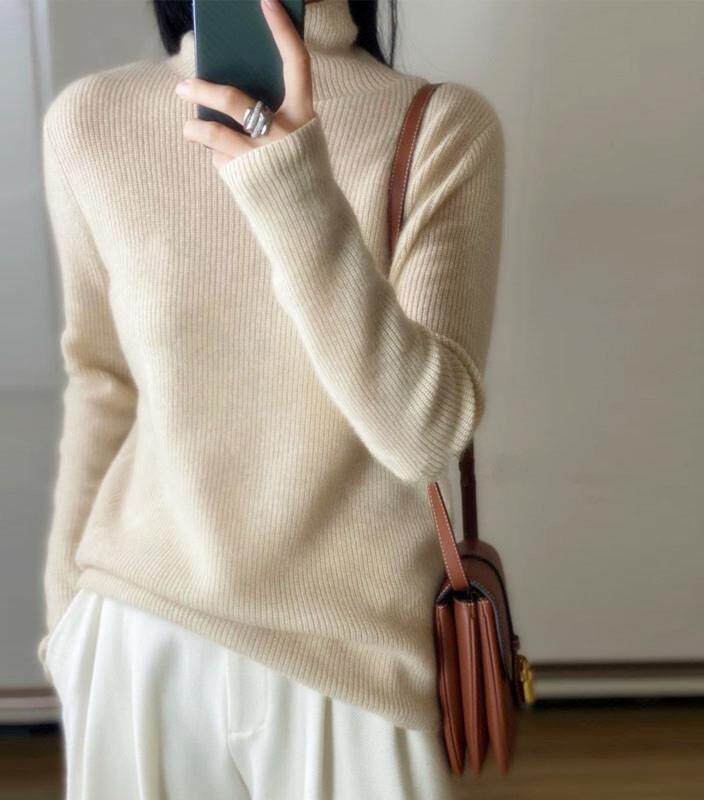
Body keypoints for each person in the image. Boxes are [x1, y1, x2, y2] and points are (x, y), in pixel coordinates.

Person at [39, 0, 504, 796]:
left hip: (355, 667)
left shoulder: (440, 127)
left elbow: (423, 436)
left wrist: (292, 186)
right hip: (136, 638)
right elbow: (101, 382)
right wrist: (67, 627)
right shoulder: (90, 120)